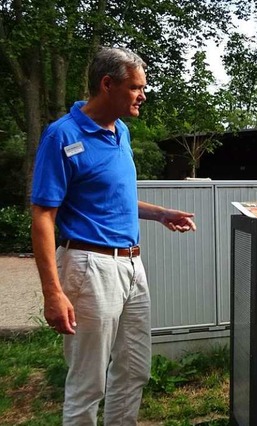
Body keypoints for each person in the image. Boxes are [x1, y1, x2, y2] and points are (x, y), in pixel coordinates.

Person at [30, 46, 197, 425]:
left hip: (132, 266)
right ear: (107, 84)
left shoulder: (119, 130)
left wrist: (160, 213)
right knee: (88, 383)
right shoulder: (62, 136)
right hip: (89, 266)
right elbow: (42, 215)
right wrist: (52, 292)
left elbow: (112, 196)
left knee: (134, 369)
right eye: (136, 87)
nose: (143, 95)